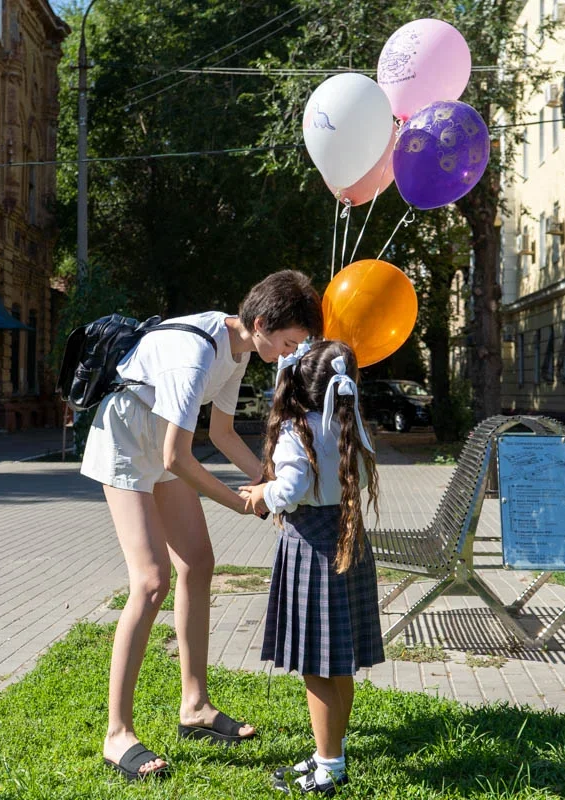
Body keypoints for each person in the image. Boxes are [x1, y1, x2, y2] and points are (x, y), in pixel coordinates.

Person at [84, 270, 323, 782]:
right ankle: (117, 733)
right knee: (150, 583)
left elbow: (222, 431)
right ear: (259, 323)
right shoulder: (198, 352)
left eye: (297, 346)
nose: (288, 355)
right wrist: (246, 505)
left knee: (198, 563)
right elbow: (178, 456)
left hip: (162, 442)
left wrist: (272, 482)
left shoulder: (236, 350)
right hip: (126, 439)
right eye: (287, 342)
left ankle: (194, 705)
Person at [238, 339, 383, 796]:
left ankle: (329, 766)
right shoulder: (350, 423)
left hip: (313, 551)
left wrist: (263, 495)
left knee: (316, 667)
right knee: (339, 663)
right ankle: (330, 752)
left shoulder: (295, 429)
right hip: (347, 541)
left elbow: (291, 487)